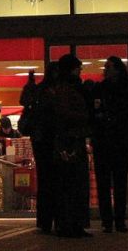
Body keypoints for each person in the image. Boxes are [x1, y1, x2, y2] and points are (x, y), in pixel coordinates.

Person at [47, 54, 92, 238]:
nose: (80, 71)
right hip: (70, 141)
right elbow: (65, 114)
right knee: (73, 184)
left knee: (69, 184)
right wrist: (85, 118)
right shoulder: (68, 89)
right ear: (72, 69)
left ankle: (70, 224)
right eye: (78, 68)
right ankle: (71, 224)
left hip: (67, 140)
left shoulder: (62, 88)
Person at [91, 56, 128, 233]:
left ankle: (116, 220)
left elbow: (127, 112)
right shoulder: (108, 88)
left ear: (117, 69)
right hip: (114, 138)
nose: (105, 70)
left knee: (117, 181)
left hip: (112, 139)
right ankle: (111, 220)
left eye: (108, 67)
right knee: (109, 181)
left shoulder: (115, 89)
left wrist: (105, 118)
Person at [21, 62, 57, 234]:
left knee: (44, 180)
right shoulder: (52, 92)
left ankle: (44, 220)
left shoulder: (37, 90)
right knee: (53, 180)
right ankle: (53, 218)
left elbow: (25, 102)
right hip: (49, 139)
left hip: (39, 139)